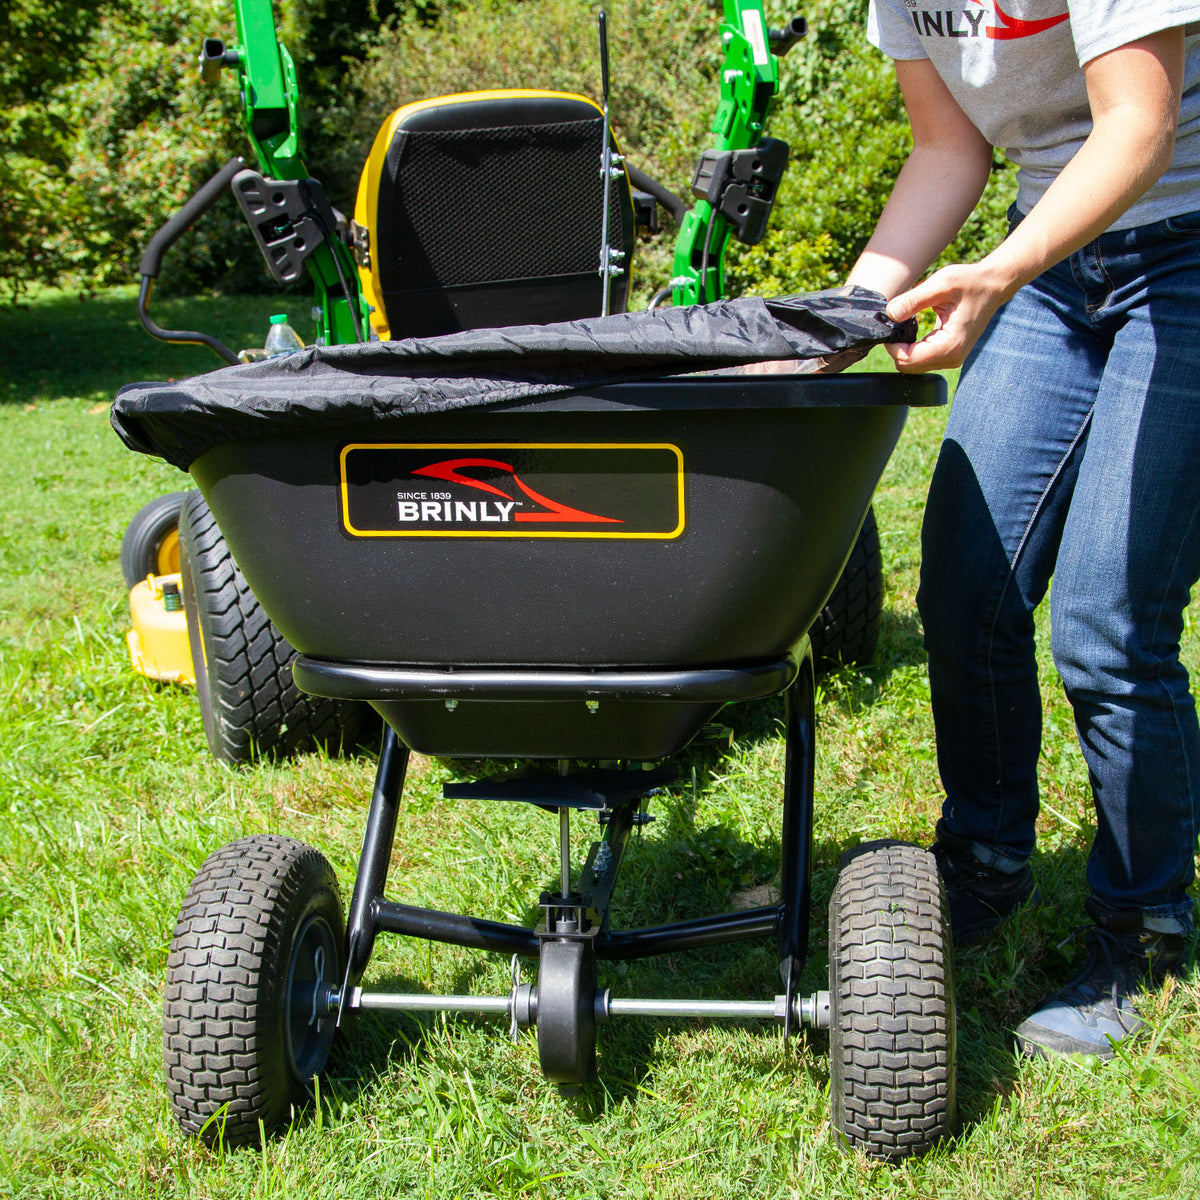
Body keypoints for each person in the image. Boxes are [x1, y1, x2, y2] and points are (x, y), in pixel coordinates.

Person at [840, 4, 1200, 1058]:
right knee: (963, 584)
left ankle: (1142, 934)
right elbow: (948, 148)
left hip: (1185, 248)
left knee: (1107, 621)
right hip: (1056, 256)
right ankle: (985, 865)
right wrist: (842, 318)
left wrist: (997, 272)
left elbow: (1139, 126)